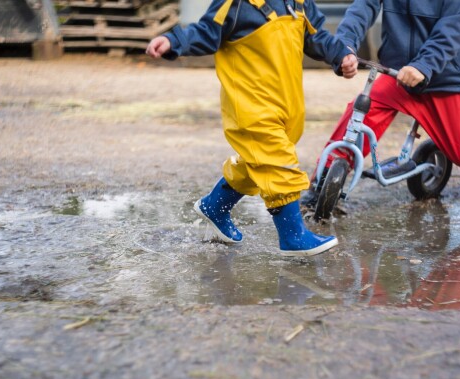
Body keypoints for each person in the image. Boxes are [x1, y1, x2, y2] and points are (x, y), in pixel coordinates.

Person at [146, 0, 358, 256]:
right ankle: (293, 237)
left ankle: (215, 206)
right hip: (250, 104)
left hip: (286, 104)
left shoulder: (298, 3)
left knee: (258, 161)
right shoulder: (236, 4)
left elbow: (316, 36)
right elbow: (205, 31)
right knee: (278, 162)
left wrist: (340, 55)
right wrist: (173, 41)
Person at [301, 0, 460, 209]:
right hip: (395, 73)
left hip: (441, 78)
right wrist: (345, 46)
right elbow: (363, 7)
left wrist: (423, 65)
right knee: (359, 116)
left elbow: (452, 29)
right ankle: (322, 182)